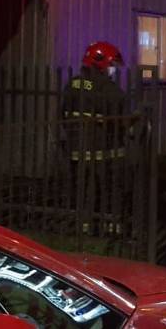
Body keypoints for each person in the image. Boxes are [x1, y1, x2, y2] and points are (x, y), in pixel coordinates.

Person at [61, 41, 128, 235]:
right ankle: (111, 224)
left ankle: (84, 223)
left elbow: (62, 114)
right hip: (104, 149)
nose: (113, 70)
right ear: (101, 63)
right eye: (111, 65)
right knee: (109, 187)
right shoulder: (108, 89)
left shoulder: (72, 84)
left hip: (76, 148)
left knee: (80, 187)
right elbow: (122, 118)